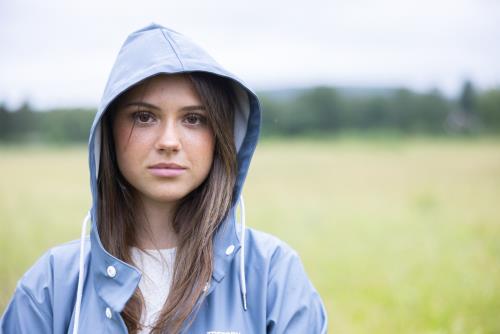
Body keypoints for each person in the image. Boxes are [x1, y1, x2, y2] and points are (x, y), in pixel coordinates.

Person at [0, 23, 327, 333]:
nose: (169, 141)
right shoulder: (52, 283)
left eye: (194, 119)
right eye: (144, 117)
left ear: (219, 135)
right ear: (108, 133)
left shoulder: (272, 273)